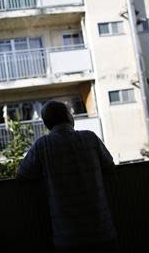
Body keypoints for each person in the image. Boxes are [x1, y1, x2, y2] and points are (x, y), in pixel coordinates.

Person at [16, 100, 118, 253]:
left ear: (47, 123)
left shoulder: (43, 145)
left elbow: (22, 175)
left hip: (67, 236)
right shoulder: (90, 138)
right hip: (101, 230)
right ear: (68, 117)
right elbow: (110, 167)